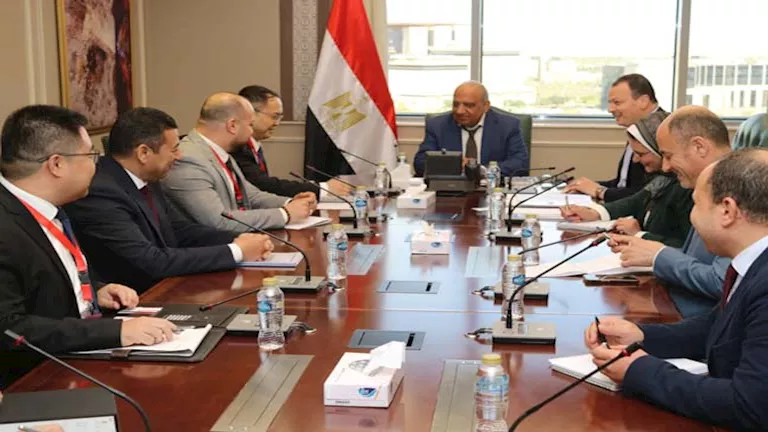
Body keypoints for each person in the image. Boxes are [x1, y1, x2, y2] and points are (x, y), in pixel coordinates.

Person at [585, 148, 768, 430]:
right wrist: (642, 335)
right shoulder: (753, 264)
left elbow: (748, 404)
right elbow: (718, 328)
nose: (692, 217)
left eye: (696, 204)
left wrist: (639, 370)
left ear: (727, 211)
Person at [0, 105, 175, 389]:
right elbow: (11, 329)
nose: (97, 166)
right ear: (56, 165)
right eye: (91, 156)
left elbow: (42, 280)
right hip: (35, 382)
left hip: (76, 359)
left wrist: (95, 290)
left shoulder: (48, 206)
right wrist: (116, 331)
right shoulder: (6, 227)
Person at [65, 108, 275, 294]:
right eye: (174, 149)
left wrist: (242, 239)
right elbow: (151, 261)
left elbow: (179, 230)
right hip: (134, 298)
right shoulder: (101, 192)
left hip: (167, 285)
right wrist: (236, 251)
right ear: (144, 153)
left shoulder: (149, 178)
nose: (179, 156)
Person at [608, 106, 732, 317]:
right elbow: (695, 259)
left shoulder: (735, 189)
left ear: (699, 147)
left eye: (668, 156)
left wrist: (659, 256)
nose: (665, 167)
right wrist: (649, 251)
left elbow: (723, 281)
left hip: (695, 320)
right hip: (678, 307)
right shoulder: (711, 184)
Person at [161, 92, 315, 233]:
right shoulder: (188, 159)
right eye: (250, 125)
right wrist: (285, 214)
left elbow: (251, 196)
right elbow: (219, 221)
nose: (251, 132)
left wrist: (292, 203)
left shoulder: (220, 152)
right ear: (232, 125)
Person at [561, 112, 692, 248]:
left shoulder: (686, 186)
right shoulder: (664, 177)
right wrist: (594, 213)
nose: (635, 160)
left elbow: (687, 248)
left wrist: (639, 235)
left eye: (641, 154)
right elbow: (636, 201)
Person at [233, 85, 354, 199]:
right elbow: (262, 185)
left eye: (280, 118)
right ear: (251, 114)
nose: (277, 123)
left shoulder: (254, 145)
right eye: (274, 116)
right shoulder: (237, 146)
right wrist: (324, 188)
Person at [565, 74, 663, 202]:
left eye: (617, 103)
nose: (610, 109)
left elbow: (648, 193)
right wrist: (585, 186)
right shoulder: (637, 127)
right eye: (610, 103)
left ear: (643, 101)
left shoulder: (661, 129)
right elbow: (622, 184)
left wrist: (600, 191)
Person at [413, 81, 529, 177]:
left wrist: (481, 170)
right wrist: (452, 164)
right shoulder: (437, 125)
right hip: (450, 189)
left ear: (486, 106)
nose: (460, 111)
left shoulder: (508, 126)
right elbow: (420, 163)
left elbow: (520, 163)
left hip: (492, 189)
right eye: (456, 104)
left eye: (469, 105)